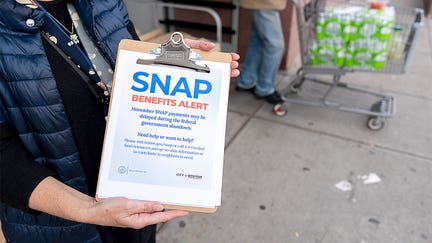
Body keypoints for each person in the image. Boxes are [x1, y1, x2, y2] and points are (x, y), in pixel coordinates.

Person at [0, 0, 240, 242]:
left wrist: (166, 60)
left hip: (136, 202)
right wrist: (88, 210)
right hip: (62, 228)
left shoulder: (104, 2)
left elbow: (126, 60)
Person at [236, 0, 286, 105]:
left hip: (261, 3)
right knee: (275, 45)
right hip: (264, 3)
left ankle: (247, 80)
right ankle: (265, 89)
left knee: (258, 41)